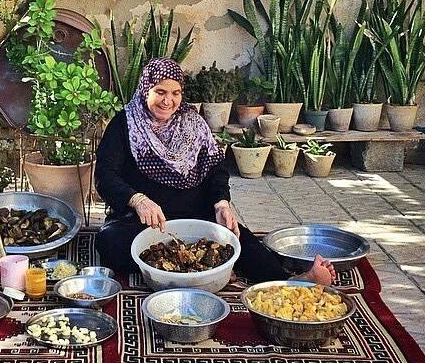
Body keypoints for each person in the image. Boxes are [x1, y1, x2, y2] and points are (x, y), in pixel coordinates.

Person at [95, 57, 335, 285]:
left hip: (196, 214)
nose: (168, 101)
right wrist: (137, 200)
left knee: (235, 238)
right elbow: (105, 175)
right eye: (160, 92)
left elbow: (215, 168)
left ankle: (292, 281)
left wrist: (221, 204)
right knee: (109, 242)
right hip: (146, 221)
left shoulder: (192, 122)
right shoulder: (124, 124)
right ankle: (206, 270)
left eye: (175, 93)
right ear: (145, 89)